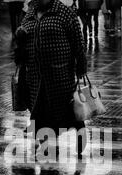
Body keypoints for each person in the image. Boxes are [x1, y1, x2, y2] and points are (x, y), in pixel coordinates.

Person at [16, 0, 88, 155]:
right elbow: (23, 40)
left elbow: (78, 42)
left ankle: (79, 128)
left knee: (65, 109)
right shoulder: (30, 13)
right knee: (39, 112)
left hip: (60, 74)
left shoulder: (64, 13)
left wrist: (81, 66)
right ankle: (46, 148)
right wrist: (20, 35)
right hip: (35, 75)